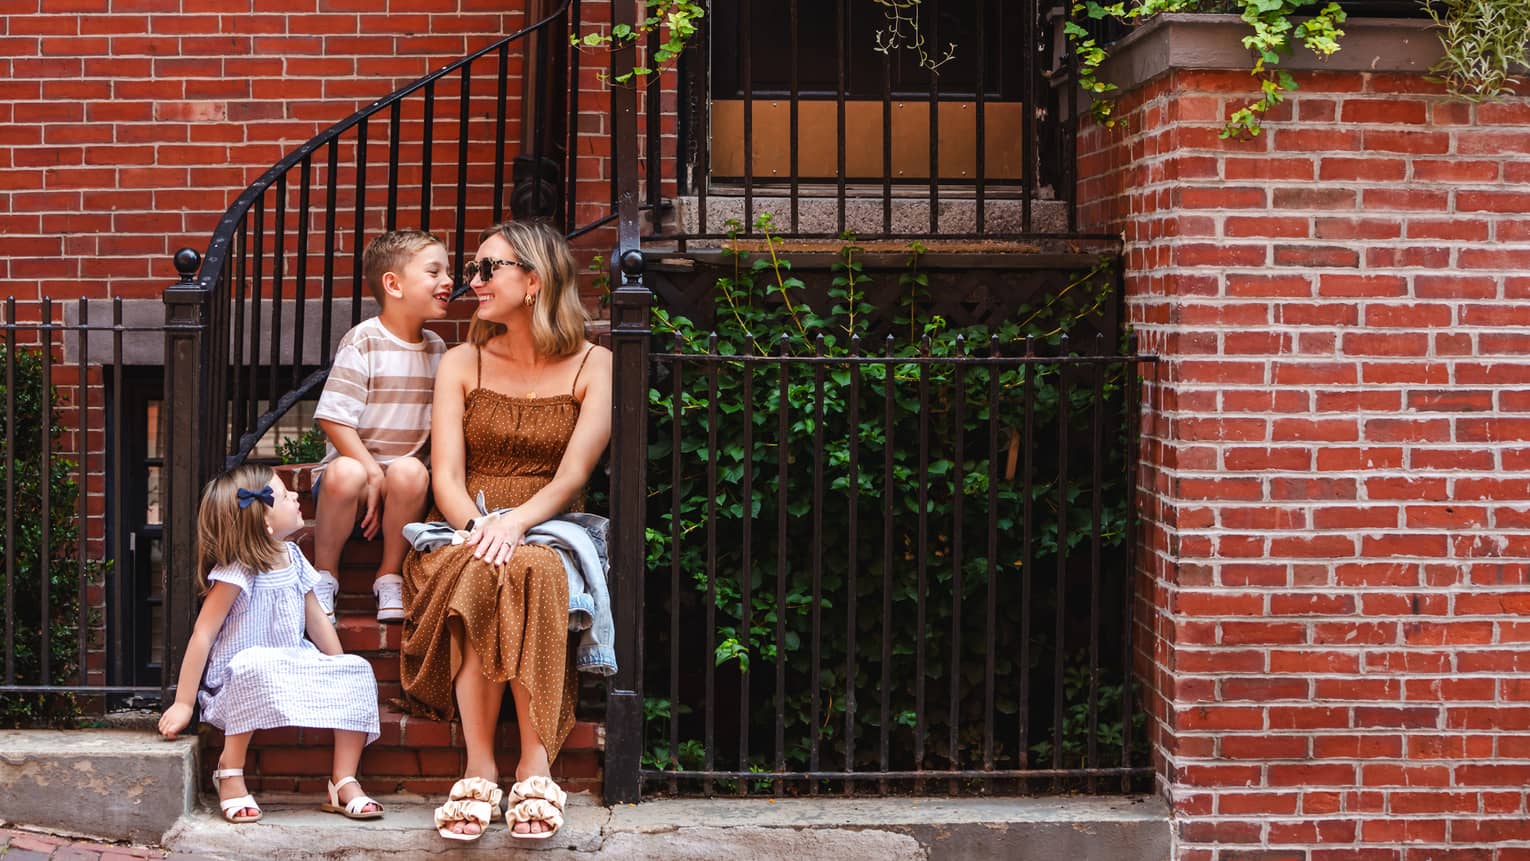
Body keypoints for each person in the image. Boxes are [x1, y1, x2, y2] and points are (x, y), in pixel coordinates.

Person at [400, 219, 611, 842]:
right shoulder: (462, 362)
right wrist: (479, 527)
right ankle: (481, 766)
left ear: (534, 281)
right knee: (484, 565)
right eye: (473, 269)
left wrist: (516, 523)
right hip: (462, 525)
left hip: (549, 524)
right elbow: (444, 477)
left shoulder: (593, 364)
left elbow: (572, 476)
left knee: (535, 567)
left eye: (488, 269)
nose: (473, 282)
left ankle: (533, 766)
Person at [158, 464, 383, 824]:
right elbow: (203, 633)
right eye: (283, 494)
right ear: (263, 519)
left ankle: (343, 780)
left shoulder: (294, 558)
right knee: (256, 661)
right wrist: (184, 703)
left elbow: (316, 619)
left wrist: (337, 671)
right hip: (239, 679)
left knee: (357, 669)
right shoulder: (238, 570)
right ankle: (230, 770)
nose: (295, 496)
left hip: (292, 667)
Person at [310, 229, 451, 623]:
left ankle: (389, 574)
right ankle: (325, 574)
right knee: (344, 471)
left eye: (447, 271)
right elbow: (332, 417)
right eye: (433, 271)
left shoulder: (438, 349)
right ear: (394, 284)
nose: (448, 281)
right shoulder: (364, 341)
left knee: (409, 471)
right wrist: (371, 470)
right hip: (355, 477)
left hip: (404, 483)